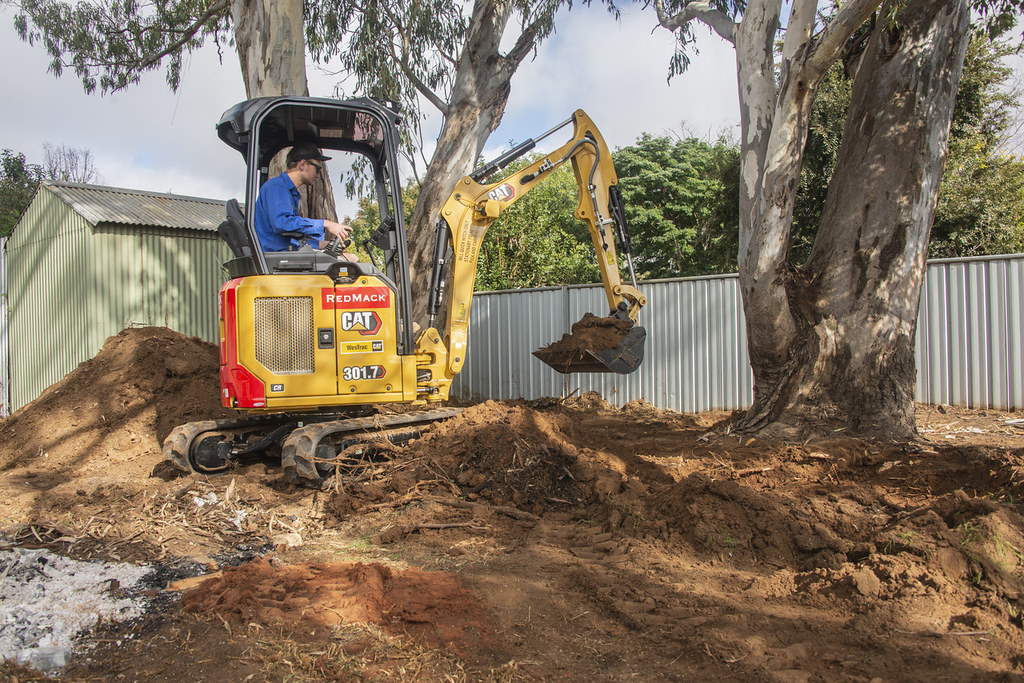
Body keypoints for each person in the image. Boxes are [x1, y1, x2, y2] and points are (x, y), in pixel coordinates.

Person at [253, 143, 356, 256]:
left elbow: (290, 239)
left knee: (348, 258)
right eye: (317, 169)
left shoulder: (289, 192)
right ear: (303, 165)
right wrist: (326, 224)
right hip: (274, 255)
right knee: (350, 260)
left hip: (283, 253)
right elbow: (282, 223)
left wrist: (321, 244)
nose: (318, 176)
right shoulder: (277, 187)